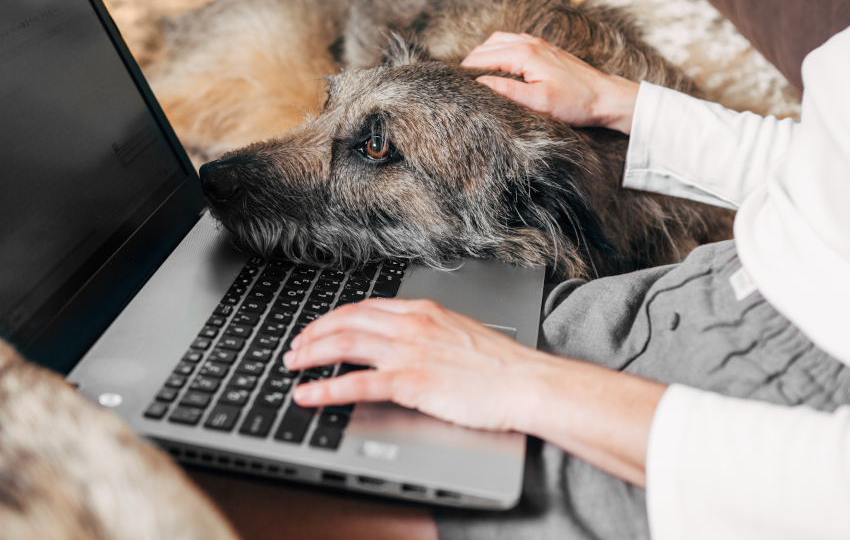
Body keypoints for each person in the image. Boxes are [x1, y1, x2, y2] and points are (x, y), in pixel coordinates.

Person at [282, 27, 850, 539]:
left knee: (295, 484)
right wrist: (626, 105)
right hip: (722, 282)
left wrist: (518, 380)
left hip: (759, 440)